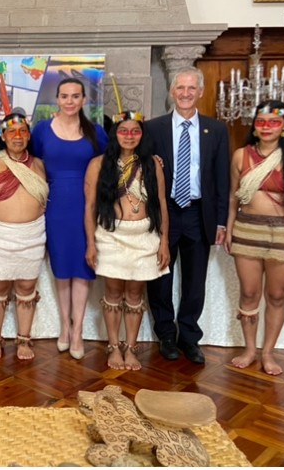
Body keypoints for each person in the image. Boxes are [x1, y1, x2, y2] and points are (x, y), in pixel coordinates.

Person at [145, 66, 230, 364]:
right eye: (180, 87)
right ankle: (166, 335)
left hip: (198, 213)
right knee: (160, 278)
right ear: (172, 91)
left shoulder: (216, 130)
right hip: (164, 213)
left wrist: (221, 221)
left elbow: (222, 179)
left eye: (191, 88)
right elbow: (143, 172)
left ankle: (189, 337)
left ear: (201, 92)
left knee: (195, 282)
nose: (185, 93)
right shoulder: (153, 128)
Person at [225, 100, 284, 376]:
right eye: (261, 122)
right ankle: (250, 350)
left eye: (274, 122)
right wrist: (229, 228)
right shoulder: (241, 155)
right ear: (255, 125)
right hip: (247, 230)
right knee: (249, 293)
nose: (266, 127)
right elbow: (233, 197)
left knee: (276, 295)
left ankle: (268, 352)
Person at [84, 112, 170, 371]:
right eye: (124, 130)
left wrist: (164, 242)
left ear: (142, 135)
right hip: (111, 236)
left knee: (135, 294)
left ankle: (131, 348)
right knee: (112, 293)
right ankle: (113, 346)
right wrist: (91, 244)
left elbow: (161, 204)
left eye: (135, 131)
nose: (129, 136)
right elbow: (90, 207)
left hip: (144, 236)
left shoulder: (152, 164)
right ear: (115, 134)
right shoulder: (99, 164)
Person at [31, 78, 108, 360]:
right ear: (57, 99)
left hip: (86, 205)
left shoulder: (96, 132)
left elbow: (109, 164)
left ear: (84, 99)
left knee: (83, 268)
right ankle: (65, 325)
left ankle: (78, 332)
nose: (70, 101)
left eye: (76, 96)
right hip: (55, 207)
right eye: (64, 96)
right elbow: (33, 163)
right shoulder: (42, 130)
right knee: (62, 268)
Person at [0, 110, 49, 360]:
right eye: (11, 132)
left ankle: (24, 340)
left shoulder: (38, 165)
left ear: (28, 136)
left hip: (32, 235)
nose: (17, 136)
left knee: (27, 286)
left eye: (22, 131)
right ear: (3, 136)